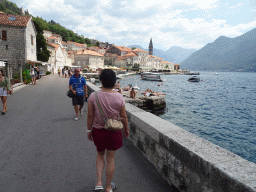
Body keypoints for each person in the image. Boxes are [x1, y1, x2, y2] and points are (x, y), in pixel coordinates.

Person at [87, 69, 129, 192]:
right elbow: (124, 116)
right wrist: (126, 128)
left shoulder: (93, 96)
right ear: (115, 82)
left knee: (100, 155)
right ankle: (108, 187)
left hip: (98, 131)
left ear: (101, 81)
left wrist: (89, 131)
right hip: (114, 132)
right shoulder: (119, 97)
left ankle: (99, 182)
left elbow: (90, 116)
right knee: (110, 159)